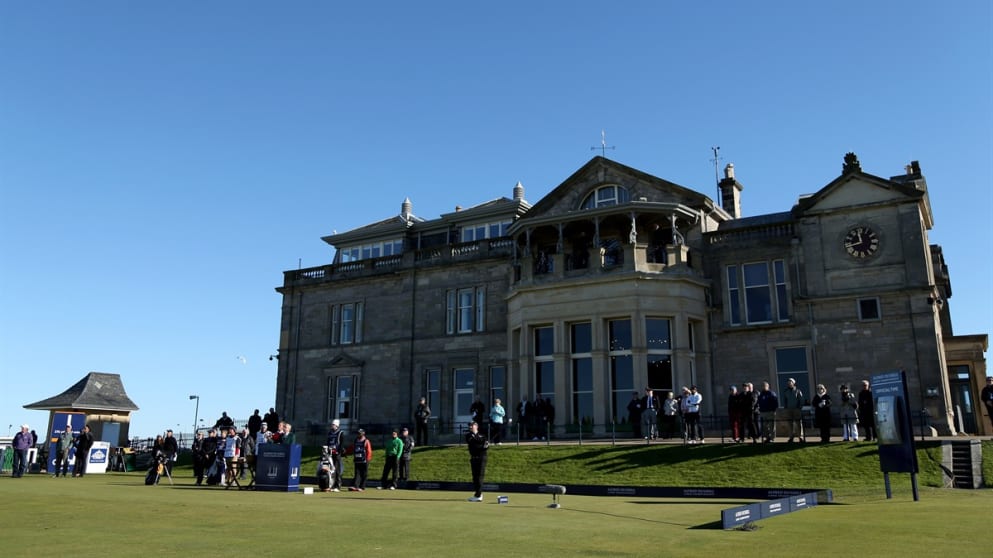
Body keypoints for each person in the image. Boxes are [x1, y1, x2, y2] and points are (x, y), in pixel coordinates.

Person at [465, 421, 489, 502]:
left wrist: (483, 445)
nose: (470, 427)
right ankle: (477, 494)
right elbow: (474, 443)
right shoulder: (468, 435)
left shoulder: (483, 435)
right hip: (473, 457)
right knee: (475, 477)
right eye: (469, 425)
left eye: (472, 425)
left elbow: (485, 445)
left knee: (479, 476)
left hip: (482, 458)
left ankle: (478, 495)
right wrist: (481, 445)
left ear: (476, 426)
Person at [781, 378, 805, 443]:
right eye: (788, 382)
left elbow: (801, 400)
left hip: (796, 410)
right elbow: (784, 400)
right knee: (789, 424)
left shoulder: (798, 391)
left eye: (790, 382)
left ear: (793, 383)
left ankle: (800, 437)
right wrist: (785, 408)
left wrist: (799, 408)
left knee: (798, 423)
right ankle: (791, 437)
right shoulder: (786, 391)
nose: (789, 383)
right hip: (789, 410)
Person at [325, 419, 345, 492]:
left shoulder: (340, 433)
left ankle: (338, 486)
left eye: (333, 425)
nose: (332, 426)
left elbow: (341, 444)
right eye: (332, 424)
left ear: (337, 425)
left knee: (337, 470)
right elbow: (328, 442)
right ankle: (331, 485)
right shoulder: (330, 433)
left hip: (336, 454)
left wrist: (338, 452)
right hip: (330, 454)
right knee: (331, 470)